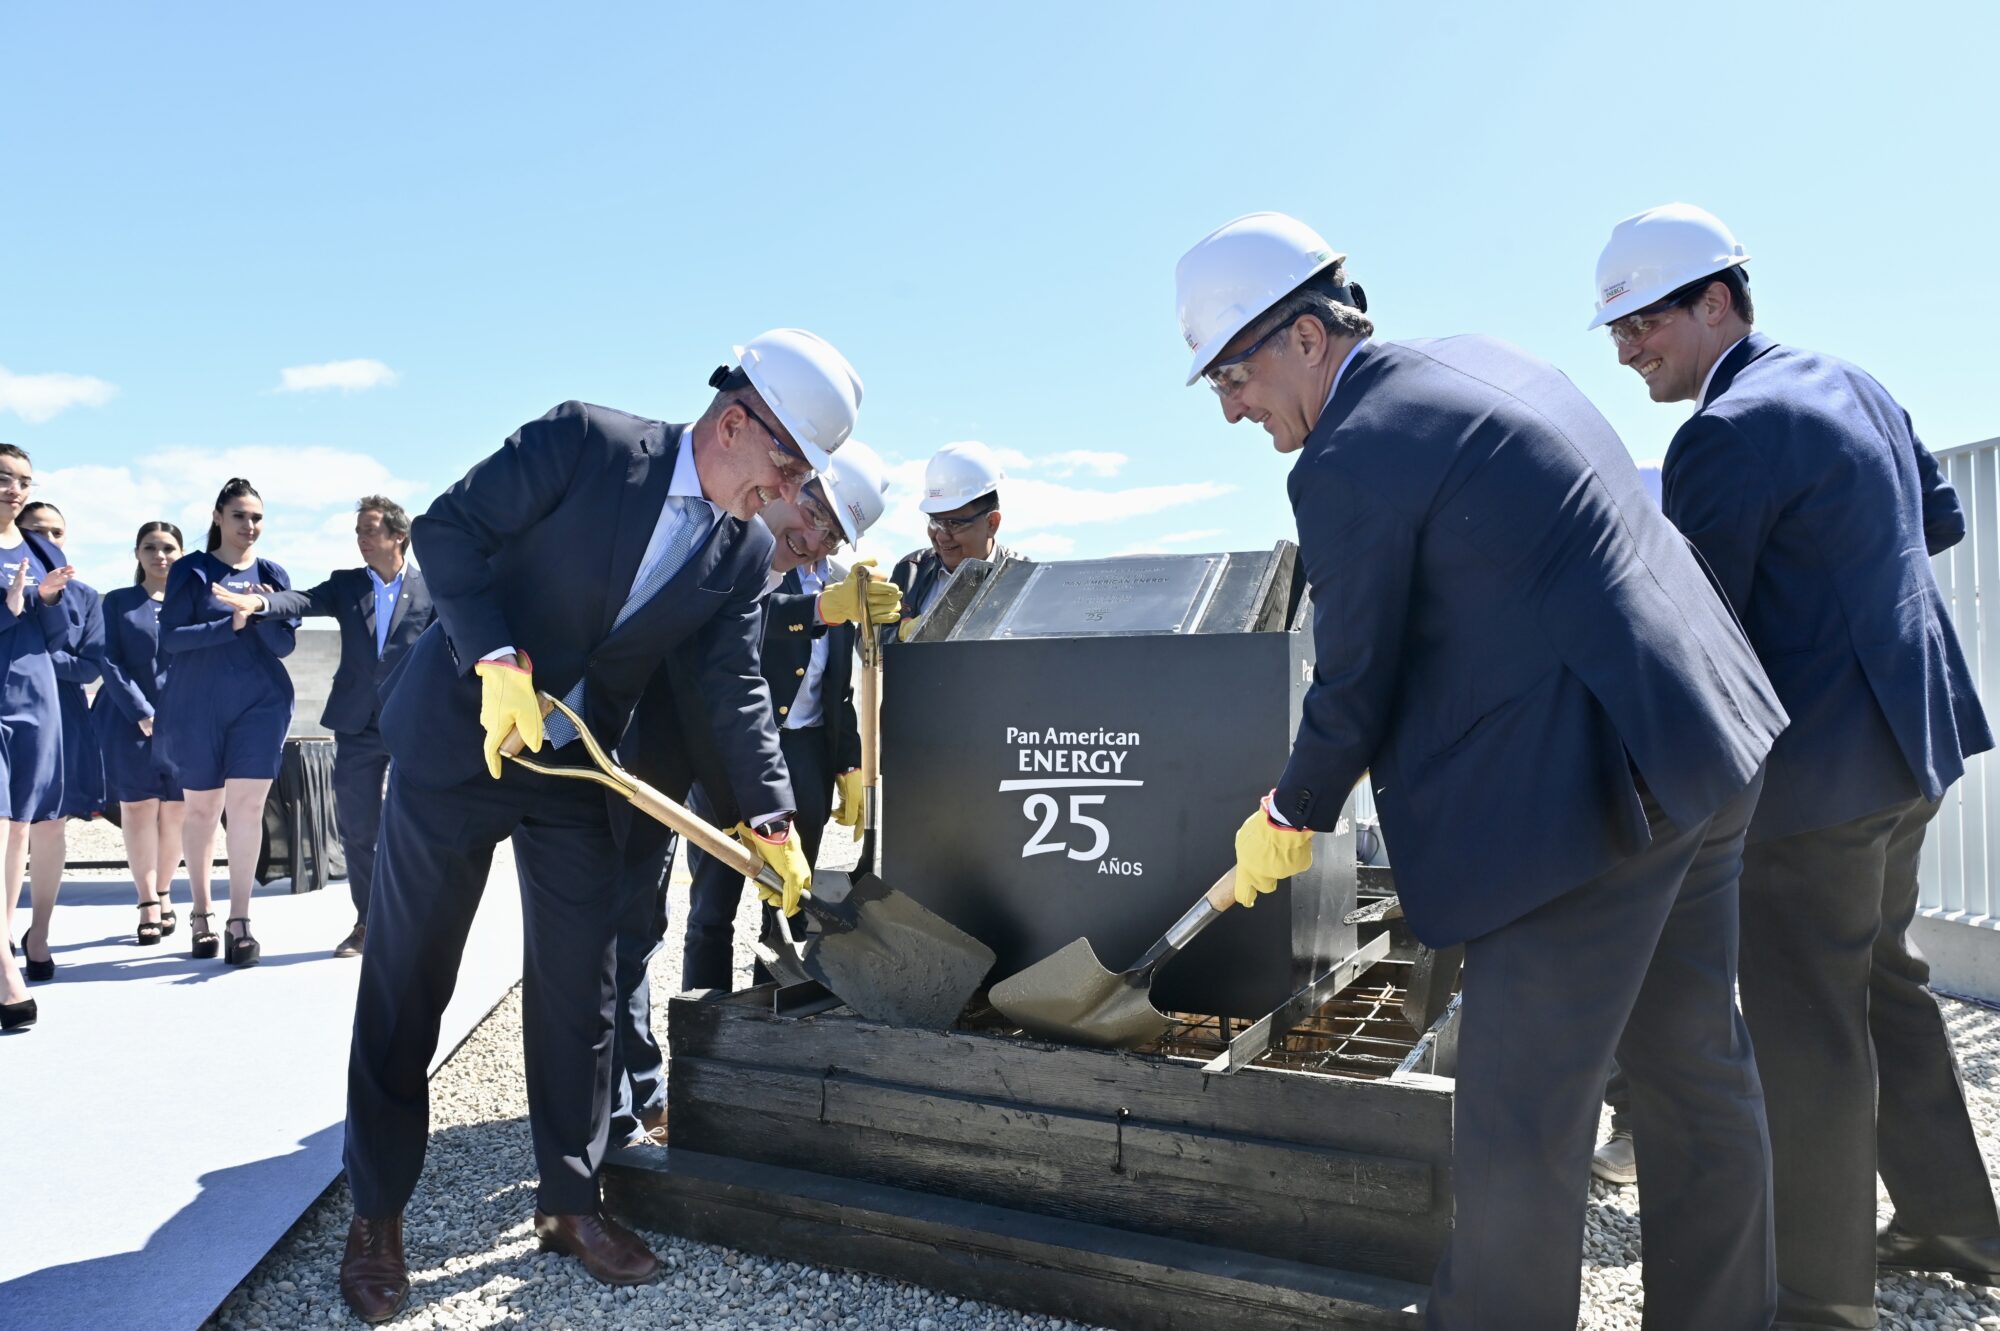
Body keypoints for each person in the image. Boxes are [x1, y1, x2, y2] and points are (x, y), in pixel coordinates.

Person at [1177, 212, 1787, 1331]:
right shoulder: (1478, 363)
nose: (1229, 404)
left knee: (1516, 1125)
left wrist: (1288, 808)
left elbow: (1352, 680)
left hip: (1596, 805)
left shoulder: (1348, 454)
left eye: (1232, 370)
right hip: (1704, 738)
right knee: (1693, 1072)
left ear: (1306, 337)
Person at [337, 329, 860, 1325]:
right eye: (788, 463)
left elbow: (728, 683)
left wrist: (773, 818)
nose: (787, 493)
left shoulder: (739, 548)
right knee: (410, 977)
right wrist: (492, 656)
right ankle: (376, 1214)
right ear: (737, 421)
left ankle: (571, 1201)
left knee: (583, 984)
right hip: (463, 740)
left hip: (575, 764)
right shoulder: (585, 443)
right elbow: (449, 532)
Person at [1590, 202, 1999, 1328]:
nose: (1627, 351)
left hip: (1813, 784)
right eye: (1616, 333)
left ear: (1714, 300)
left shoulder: (1720, 434)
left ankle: (1818, 1299)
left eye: (1639, 325)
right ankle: (1954, 1218)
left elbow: (1694, 629)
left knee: (1804, 1023)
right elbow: (1937, 524)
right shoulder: (1850, 382)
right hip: (1911, 745)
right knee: (1881, 977)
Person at [609, 440, 900, 1149]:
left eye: (832, 531)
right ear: (785, 481)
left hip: (748, 768)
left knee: (675, 930)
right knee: (640, 928)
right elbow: (727, 670)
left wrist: (840, 770)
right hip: (642, 759)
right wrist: (815, 617)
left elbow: (799, 689)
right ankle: (640, 1094)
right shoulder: (710, 538)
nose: (815, 537)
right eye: (812, 510)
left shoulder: (806, 572)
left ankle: (666, 1088)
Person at [217, 496, 434, 957]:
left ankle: (418, 920)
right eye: (358, 530)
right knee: (358, 830)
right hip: (356, 724)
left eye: (370, 530)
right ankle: (368, 922)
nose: (361, 539)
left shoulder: (432, 588)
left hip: (415, 723)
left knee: (422, 826)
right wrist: (258, 602)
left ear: (398, 536)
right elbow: (303, 600)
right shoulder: (346, 585)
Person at [156, 478, 298, 966]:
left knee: (246, 807)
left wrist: (261, 613)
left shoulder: (272, 572)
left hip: (262, 702)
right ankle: (201, 912)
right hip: (197, 705)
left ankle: (241, 920)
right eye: (240, 515)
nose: (250, 526)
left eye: (257, 517)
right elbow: (171, 638)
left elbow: (284, 646)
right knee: (200, 811)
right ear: (218, 517)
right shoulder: (191, 570)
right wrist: (230, 622)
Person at [0, 444, 79, 1031]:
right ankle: (5, 966)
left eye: (23, 480)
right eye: (4, 478)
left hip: (33, 697)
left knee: (19, 830)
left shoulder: (40, 549)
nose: (14, 489)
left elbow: (59, 637)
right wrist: (8, 607)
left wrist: (45, 600)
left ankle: (3, 949)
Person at [12, 502, 105, 978]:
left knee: (49, 826)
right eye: (36, 530)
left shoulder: (86, 596)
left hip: (62, 716)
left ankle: (40, 932)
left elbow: (91, 664)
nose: (48, 538)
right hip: (9, 705)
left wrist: (43, 660)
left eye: (57, 531)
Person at [96, 522, 189, 946]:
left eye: (169, 547)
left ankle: (166, 891)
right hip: (127, 720)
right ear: (137, 553)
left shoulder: (194, 603)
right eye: (150, 547)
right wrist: (142, 712)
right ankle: (147, 902)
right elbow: (108, 660)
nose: (160, 555)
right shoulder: (118, 602)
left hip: (185, 724)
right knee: (136, 811)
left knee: (175, 813)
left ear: (182, 553)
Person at [888, 441, 1019, 632]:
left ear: (992, 523)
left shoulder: (1020, 578)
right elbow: (871, 645)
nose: (941, 537)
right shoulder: (910, 571)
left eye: (954, 524)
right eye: (935, 521)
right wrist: (899, 637)